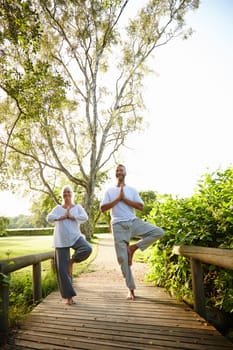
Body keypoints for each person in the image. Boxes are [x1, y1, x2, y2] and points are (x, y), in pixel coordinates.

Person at [100, 164, 164, 300]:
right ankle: (131, 289)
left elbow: (141, 207)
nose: (119, 171)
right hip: (118, 226)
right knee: (122, 259)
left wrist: (125, 199)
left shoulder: (132, 190)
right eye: (117, 170)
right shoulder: (110, 191)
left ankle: (134, 248)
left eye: (121, 169)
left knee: (158, 232)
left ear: (125, 173)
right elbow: (103, 208)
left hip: (133, 222)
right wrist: (118, 199)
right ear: (115, 174)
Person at [47, 185, 92, 305]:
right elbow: (49, 218)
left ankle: (71, 261)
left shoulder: (77, 207)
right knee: (62, 271)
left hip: (75, 237)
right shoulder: (58, 208)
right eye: (64, 193)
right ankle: (69, 298)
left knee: (87, 248)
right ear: (62, 195)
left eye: (68, 192)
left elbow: (85, 217)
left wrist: (71, 216)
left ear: (72, 194)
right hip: (61, 240)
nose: (66, 194)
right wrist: (61, 217)